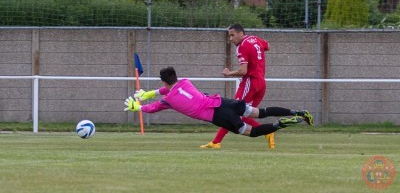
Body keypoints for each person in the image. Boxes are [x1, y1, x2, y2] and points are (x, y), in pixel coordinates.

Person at [124, 66, 312, 140]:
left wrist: (138, 106)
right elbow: (169, 89)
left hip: (218, 115)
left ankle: (281, 124)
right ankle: (298, 111)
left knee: (252, 132)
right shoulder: (186, 82)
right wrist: (150, 92)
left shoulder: (169, 100)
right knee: (260, 112)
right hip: (223, 102)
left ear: (164, 81)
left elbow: (154, 107)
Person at [199, 24, 277, 149]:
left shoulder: (242, 47)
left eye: (232, 35)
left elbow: (243, 71)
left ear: (241, 34)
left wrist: (229, 73)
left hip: (250, 82)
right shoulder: (255, 39)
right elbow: (267, 46)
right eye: (229, 36)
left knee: (233, 112)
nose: (230, 39)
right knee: (244, 114)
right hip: (261, 82)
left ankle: (216, 142)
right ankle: (266, 131)